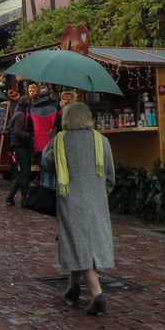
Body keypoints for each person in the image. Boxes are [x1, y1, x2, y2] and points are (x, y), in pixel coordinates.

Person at [41, 101, 115, 316]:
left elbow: (47, 165)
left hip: (70, 201)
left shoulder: (60, 141)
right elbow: (110, 176)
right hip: (97, 201)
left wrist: (49, 142)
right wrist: (101, 194)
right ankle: (72, 287)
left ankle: (97, 293)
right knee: (83, 243)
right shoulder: (102, 141)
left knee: (78, 244)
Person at [6, 96, 34, 206]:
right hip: (19, 145)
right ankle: (24, 198)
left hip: (18, 145)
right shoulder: (20, 115)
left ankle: (11, 195)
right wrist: (30, 136)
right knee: (25, 172)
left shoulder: (18, 113)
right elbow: (17, 132)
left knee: (23, 172)